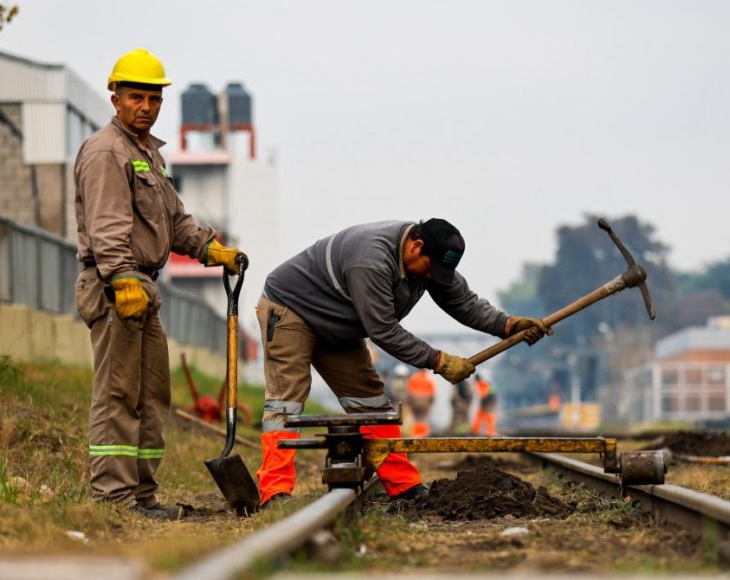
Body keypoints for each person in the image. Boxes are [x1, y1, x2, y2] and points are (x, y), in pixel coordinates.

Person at [255, 218, 551, 507]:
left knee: (371, 403)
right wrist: (440, 361)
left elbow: (464, 303)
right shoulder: (371, 260)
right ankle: (274, 490)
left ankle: (404, 486)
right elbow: (383, 330)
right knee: (287, 399)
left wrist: (508, 325)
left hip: (337, 322)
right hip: (291, 309)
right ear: (416, 246)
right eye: (431, 269)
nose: (434, 278)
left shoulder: (430, 264)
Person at [73, 48, 244, 521]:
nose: (145, 106)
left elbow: (175, 221)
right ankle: (113, 496)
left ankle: (143, 496)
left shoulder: (148, 155)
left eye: (153, 98)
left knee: (152, 396)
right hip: (115, 286)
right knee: (118, 393)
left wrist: (212, 249)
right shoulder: (107, 152)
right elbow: (107, 227)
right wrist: (122, 278)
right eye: (135, 97)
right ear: (116, 97)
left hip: (144, 288)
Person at [405, 368, 436, 437]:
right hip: (425, 403)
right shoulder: (429, 379)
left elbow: (409, 392)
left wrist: (409, 403)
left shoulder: (414, 377)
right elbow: (432, 393)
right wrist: (430, 403)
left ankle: (416, 435)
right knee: (424, 419)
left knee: (416, 419)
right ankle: (424, 436)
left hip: (415, 403)